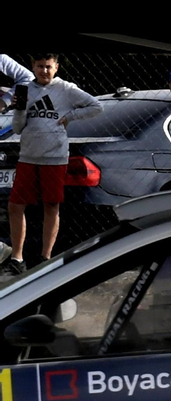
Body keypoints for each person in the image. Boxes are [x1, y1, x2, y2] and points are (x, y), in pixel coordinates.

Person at [5, 54, 101, 272]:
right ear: (33, 66)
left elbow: (96, 106)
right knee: (15, 206)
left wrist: (70, 117)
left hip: (55, 157)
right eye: (40, 66)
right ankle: (17, 259)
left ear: (56, 67)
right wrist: (20, 112)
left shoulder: (66, 89)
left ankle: (45, 258)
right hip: (28, 156)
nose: (44, 71)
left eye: (48, 67)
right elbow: (18, 127)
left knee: (51, 204)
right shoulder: (24, 89)